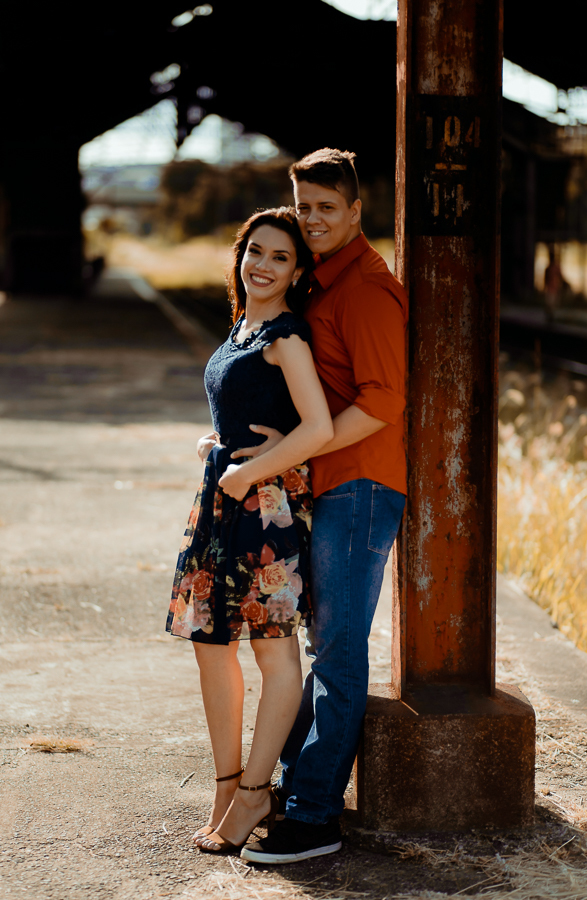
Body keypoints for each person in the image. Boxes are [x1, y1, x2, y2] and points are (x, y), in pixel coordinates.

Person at [232, 149, 408, 864]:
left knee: (337, 652)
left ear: (357, 211)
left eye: (326, 209)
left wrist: (304, 451)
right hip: (333, 479)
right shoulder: (322, 282)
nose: (312, 220)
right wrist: (290, 443)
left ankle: (315, 816)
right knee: (322, 646)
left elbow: (387, 401)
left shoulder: (365, 289)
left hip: (362, 485)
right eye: (303, 206)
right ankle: (293, 782)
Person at [165, 207, 333, 854]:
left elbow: (317, 428)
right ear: (241, 255)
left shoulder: (285, 336)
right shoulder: (243, 325)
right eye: (254, 251)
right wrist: (220, 441)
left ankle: (258, 792)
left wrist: (252, 470)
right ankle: (226, 785)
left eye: (280, 257)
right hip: (221, 499)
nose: (263, 265)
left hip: (263, 507)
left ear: (297, 271)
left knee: (272, 651)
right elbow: (254, 405)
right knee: (210, 645)